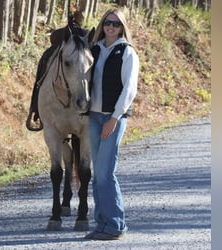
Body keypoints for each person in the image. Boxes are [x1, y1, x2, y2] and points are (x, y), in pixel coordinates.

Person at [85, 8, 139, 240]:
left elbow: (130, 89)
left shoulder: (127, 53)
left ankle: (116, 225)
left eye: (116, 24)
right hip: (93, 117)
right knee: (98, 174)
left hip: (111, 118)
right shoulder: (94, 49)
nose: (111, 27)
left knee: (106, 173)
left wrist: (115, 118)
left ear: (122, 27)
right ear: (102, 24)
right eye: (107, 22)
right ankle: (102, 223)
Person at [26, 11, 88, 131]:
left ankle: (34, 108)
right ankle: (36, 107)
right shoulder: (78, 37)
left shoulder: (59, 38)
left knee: (43, 66)